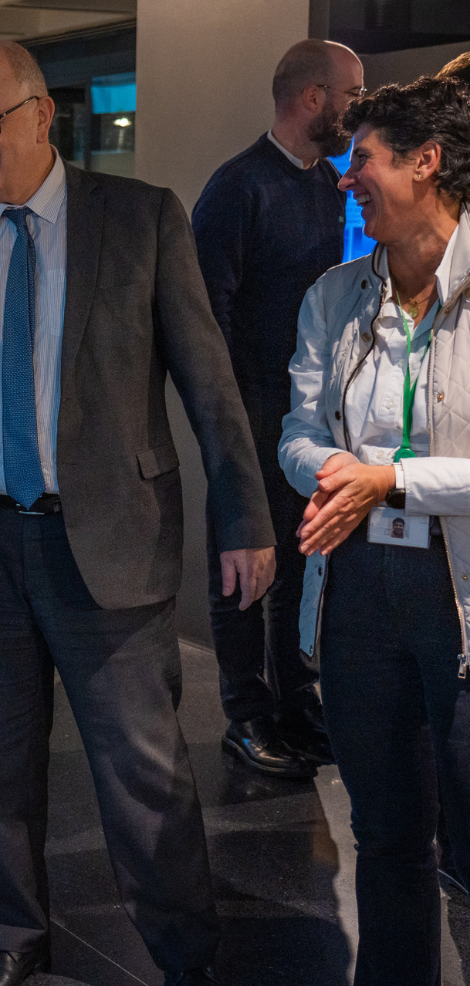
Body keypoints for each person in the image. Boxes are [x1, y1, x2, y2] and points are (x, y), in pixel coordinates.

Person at [0, 39, 276, 986]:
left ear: (42, 112)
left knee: (143, 775)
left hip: (109, 541)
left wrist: (245, 516)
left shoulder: (139, 220)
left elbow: (209, 383)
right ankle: (13, 938)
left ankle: (187, 957)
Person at [280, 77, 470, 986]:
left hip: (458, 597)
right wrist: (336, 477)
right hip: (356, 588)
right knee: (386, 835)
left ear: (425, 161)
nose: (346, 176)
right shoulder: (334, 295)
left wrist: (387, 477)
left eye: (363, 157)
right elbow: (297, 432)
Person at [192, 39, 364, 777]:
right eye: (354, 93)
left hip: (307, 409)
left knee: (300, 562)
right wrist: (228, 419)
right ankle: (246, 714)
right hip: (252, 407)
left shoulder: (328, 186)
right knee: (241, 567)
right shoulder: (238, 187)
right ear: (315, 97)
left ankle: (296, 702)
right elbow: (208, 316)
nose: (362, 106)